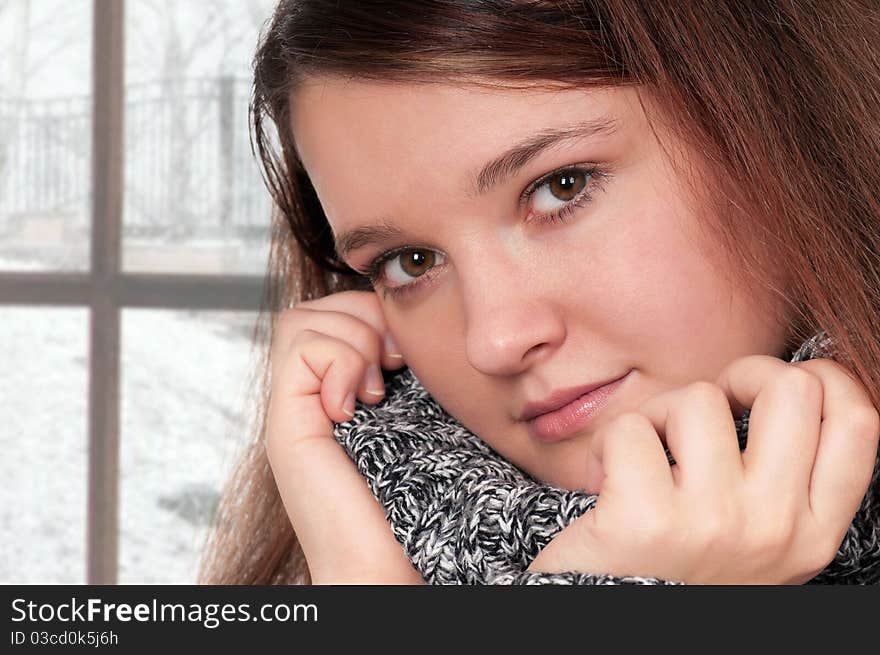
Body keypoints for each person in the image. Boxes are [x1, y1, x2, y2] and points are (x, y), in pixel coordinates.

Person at [198, 0, 880, 585]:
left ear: (777, 125)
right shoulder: (381, 531)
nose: (494, 339)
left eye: (562, 187)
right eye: (410, 261)